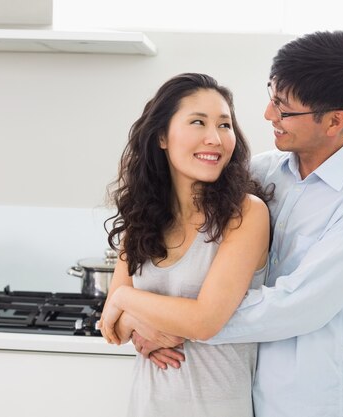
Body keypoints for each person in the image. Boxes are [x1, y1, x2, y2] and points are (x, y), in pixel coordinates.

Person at [109, 31, 343, 417]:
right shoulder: (260, 172)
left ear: (334, 121)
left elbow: (297, 306)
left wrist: (166, 319)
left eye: (284, 109)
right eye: (272, 97)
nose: (269, 116)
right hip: (235, 383)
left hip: (308, 398)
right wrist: (141, 323)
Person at [99, 72, 272, 417]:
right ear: (162, 136)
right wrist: (137, 324)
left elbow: (204, 321)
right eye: (198, 122)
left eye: (225, 125)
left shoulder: (246, 214)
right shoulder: (142, 216)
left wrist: (126, 300)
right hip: (147, 405)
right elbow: (111, 329)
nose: (215, 138)